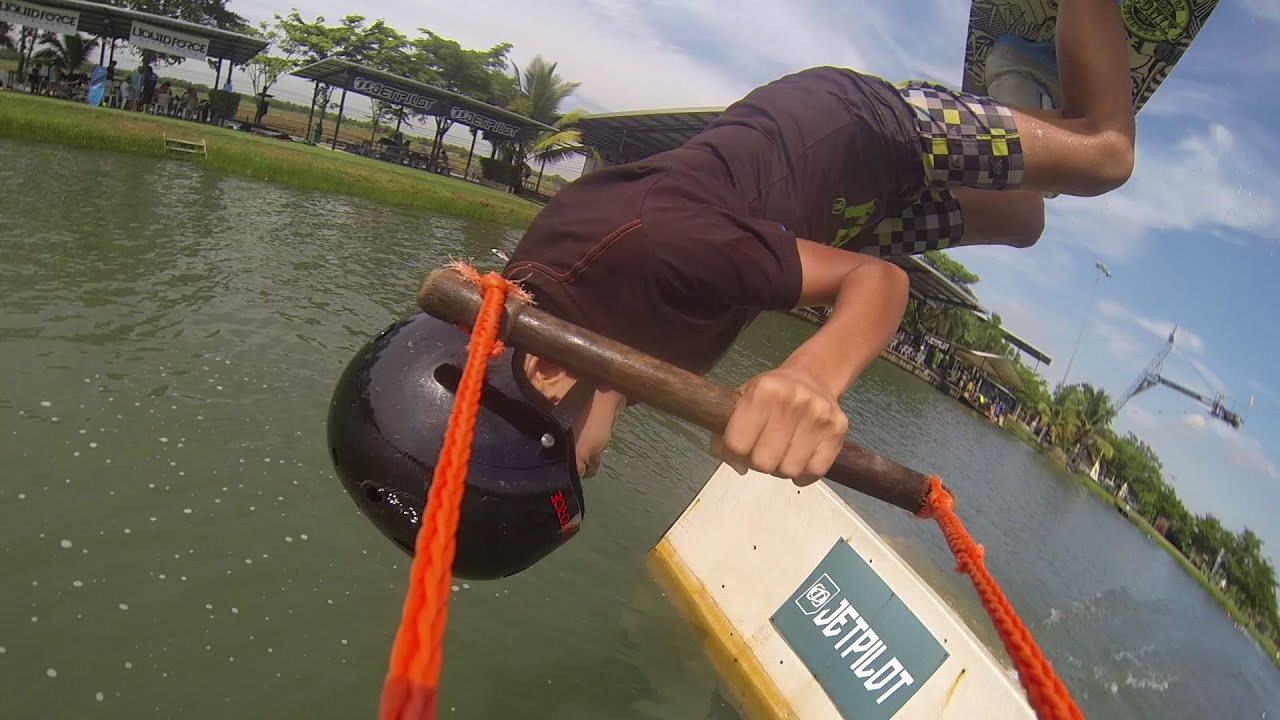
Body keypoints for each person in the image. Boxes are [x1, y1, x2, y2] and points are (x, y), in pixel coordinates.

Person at [328, 0, 1135, 578]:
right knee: (1025, 218)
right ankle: (1020, 82)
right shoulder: (564, 338)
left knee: (1102, 155)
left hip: (859, 131)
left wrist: (810, 377)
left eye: (579, 466)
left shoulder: (660, 247)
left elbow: (878, 285)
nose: (596, 469)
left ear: (544, 375)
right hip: (850, 211)